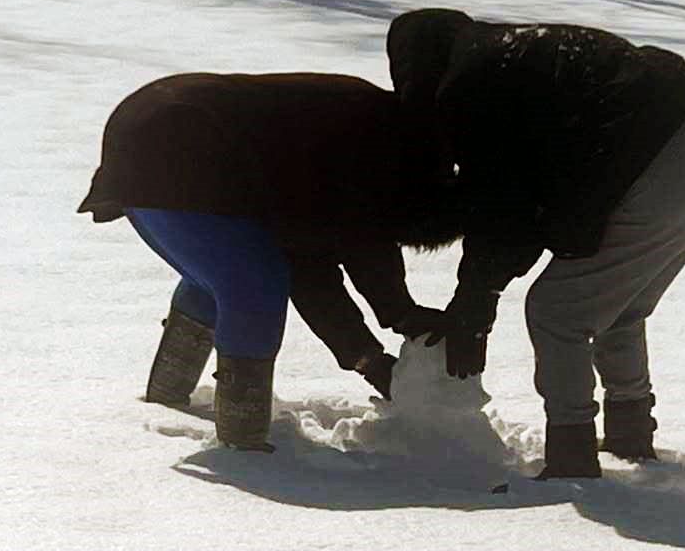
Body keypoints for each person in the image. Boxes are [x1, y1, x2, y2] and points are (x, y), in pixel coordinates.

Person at [386, 9, 685, 477]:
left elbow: (505, 203)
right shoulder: (512, 53)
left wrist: (475, 301)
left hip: (670, 154)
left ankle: (572, 457)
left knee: (557, 311)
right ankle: (629, 434)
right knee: (618, 308)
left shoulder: (471, 82)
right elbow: (529, 191)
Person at [78, 72, 459, 450]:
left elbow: (323, 256)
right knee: (252, 284)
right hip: (181, 146)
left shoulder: (376, 131)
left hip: (148, 133)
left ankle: (168, 392)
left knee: (220, 272)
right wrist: (394, 321)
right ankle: (242, 441)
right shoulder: (378, 151)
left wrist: (374, 350)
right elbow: (340, 253)